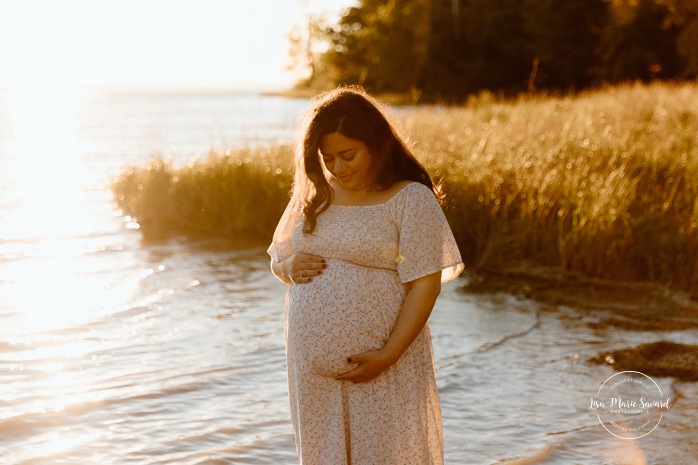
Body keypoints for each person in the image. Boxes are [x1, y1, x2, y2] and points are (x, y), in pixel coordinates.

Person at [267, 86, 464, 465]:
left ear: (376, 145)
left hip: (383, 365)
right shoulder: (317, 195)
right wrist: (287, 268)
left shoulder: (409, 198)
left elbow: (425, 285)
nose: (337, 168)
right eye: (328, 158)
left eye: (347, 155)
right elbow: (279, 260)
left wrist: (387, 356)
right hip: (312, 376)